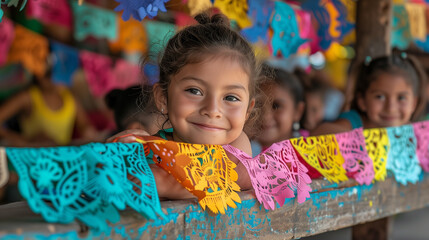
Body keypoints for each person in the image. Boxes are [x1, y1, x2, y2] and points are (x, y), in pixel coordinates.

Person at [109, 13, 264, 199]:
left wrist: (166, 185)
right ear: (163, 98)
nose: (213, 110)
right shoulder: (155, 149)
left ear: (247, 110)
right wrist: (115, 155)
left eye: (231, 97)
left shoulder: (235, 147)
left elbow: (221, 178)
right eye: (195, 91)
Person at [311, 53, 427, 136]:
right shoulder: (353, 124)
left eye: (401, 98)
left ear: (413, 104)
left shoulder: (410, 133)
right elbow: (320, 132)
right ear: (362, 101)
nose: (391, 108)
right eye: (379, 97)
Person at [0, 68, 100, 147]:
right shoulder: (29, 97)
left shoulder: (70, 99)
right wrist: (24, 141)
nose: (53, 78)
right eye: (48, 74)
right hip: (31, 157)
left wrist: (90, 135)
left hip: (59, 158)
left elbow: (85, 127)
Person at [252, 67, 305, 155]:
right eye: (257, 105)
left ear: (297, 111)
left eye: (276, 106)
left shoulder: (310, 153)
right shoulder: (237, 157)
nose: (266, 116)